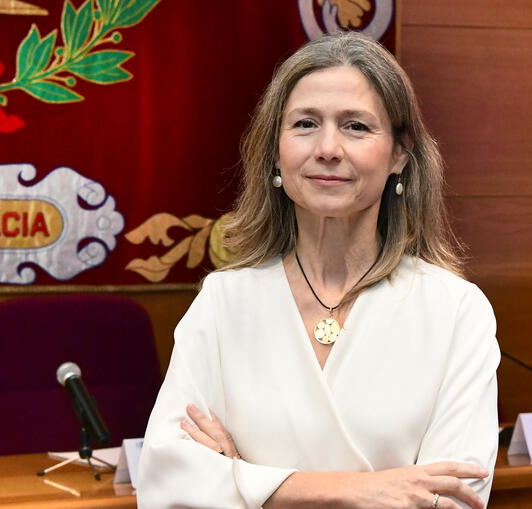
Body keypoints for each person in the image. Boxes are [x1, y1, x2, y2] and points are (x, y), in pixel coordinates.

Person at [137, 31, 500, 509]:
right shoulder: (224, 301)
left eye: (356, 127)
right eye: (306, 124)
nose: (327, 148)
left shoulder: (456, 310)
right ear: (275, 151)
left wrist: (242, 480)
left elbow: (454, 498)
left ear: (399, 154)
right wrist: (366, 490)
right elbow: (168, 484)